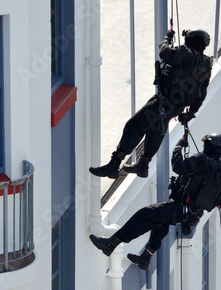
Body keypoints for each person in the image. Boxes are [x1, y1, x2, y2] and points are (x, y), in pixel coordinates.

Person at [89, 133, 221, 270]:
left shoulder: (202, 160)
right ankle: (146, 257)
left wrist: (178, 147)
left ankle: (111, 243)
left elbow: (178, 167)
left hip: (180, 207)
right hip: (192, 216)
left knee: (145, 214)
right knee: (161, 223)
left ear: (209, 146)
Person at [89, 28, 212, 179]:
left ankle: (114, 165)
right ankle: (143, 165)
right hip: (176, 108)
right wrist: (191, 112)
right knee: (155, 130)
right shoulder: (206, 64)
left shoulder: (185, 53)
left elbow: (164, 53)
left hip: (163, 101)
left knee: (133, 126)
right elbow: (202, 91)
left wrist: (166, 39)